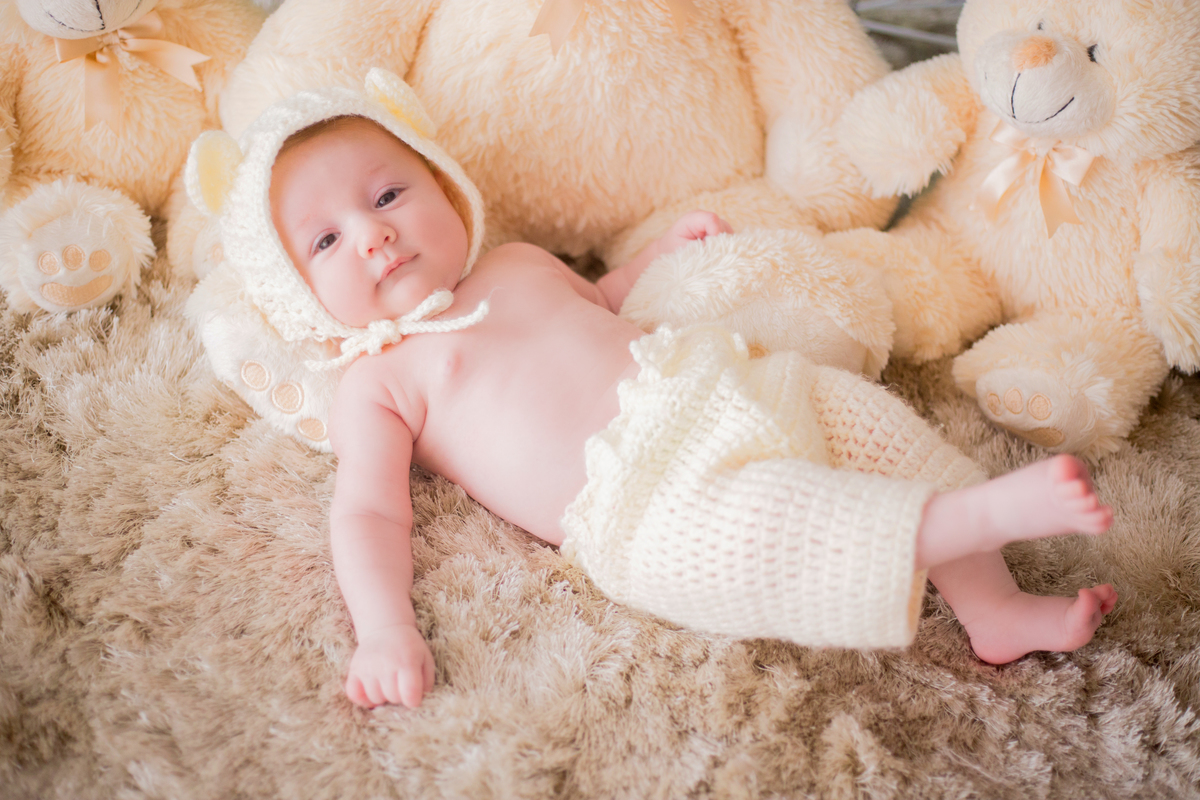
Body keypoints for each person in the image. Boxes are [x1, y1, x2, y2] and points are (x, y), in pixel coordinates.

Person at [202, 73, 1117, 710]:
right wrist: (383, 630)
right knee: (783, 524)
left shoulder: (516, 263)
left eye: (389, 192)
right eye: (324, 242)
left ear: (445, 189)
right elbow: (368, 514)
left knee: (877, 433)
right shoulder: (379, 379)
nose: (371, 234)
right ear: (297, 295)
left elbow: (596, 301)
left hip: (712, 381)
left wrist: (659, 257)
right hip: (640, 503)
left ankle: (989, 606)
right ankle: (963, 522)